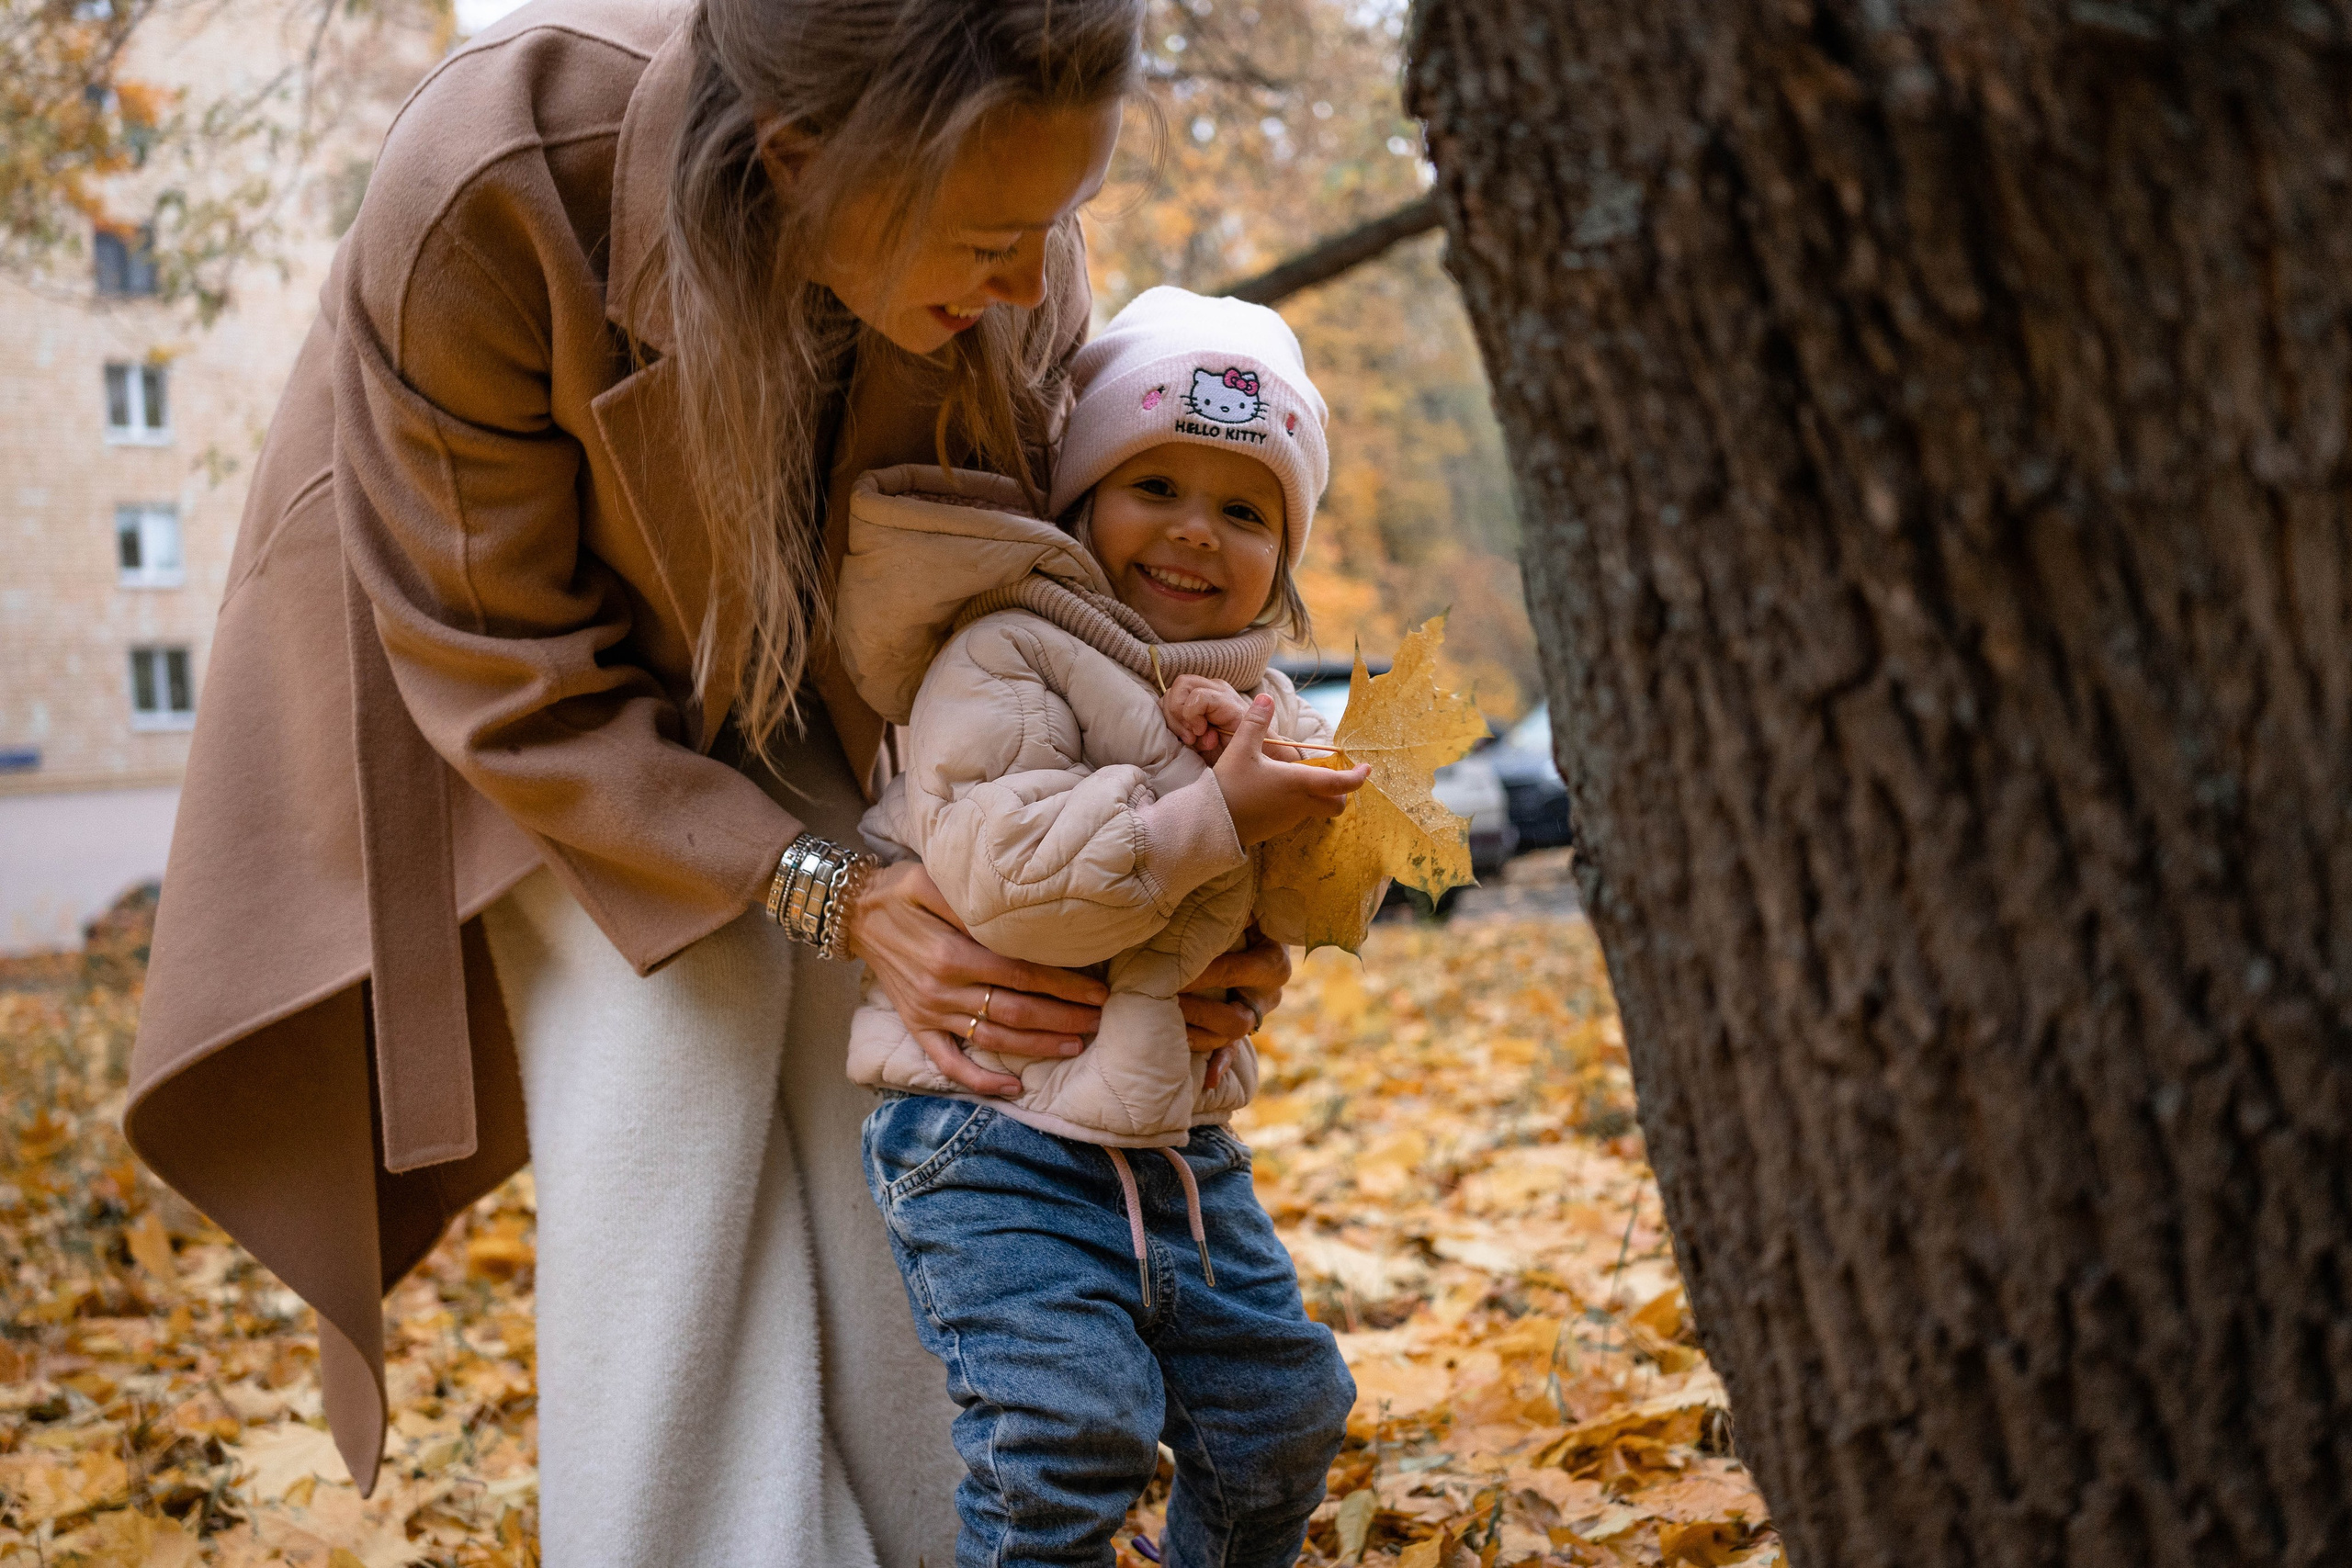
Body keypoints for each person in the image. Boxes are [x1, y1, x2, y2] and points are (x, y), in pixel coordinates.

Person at [124, 5, 1296, 1565]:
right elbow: (511, 672)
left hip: (816, 658)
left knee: (936, 1047)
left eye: (1056, 222)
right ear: (803, 161)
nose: (1040, 289)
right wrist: (832, 890)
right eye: (994, 234)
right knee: (675, 1050)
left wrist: (1179, 911)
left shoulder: (1014, 269)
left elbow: (1030, 650)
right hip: (504, 690)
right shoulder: (495, 180)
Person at [830, 287, 1364, 1567]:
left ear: (1282, 560)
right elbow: (1015, 886)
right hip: (998, 1138)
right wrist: (1212, 807)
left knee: (1285, 1415)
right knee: (1070, 1431)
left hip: (1177, 1150)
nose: (1194, 533)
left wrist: (1311, 818)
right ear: (1079, 503)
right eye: (1155, 486)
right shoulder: (1011, 651)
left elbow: (1300, 918)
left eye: (1245, 511)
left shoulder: (1266, 706)